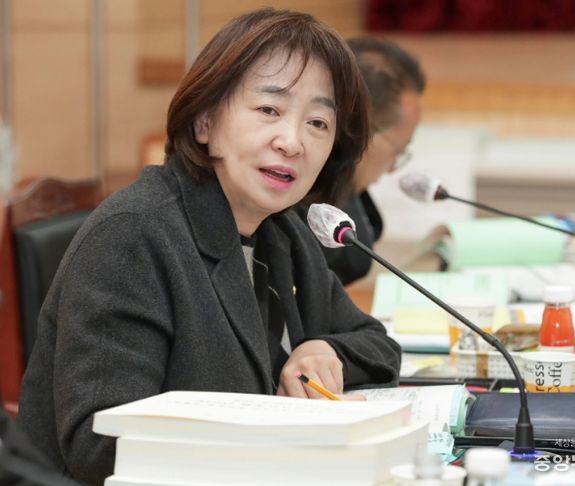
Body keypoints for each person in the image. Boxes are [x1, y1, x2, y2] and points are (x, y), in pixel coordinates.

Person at [17, 9, 401, 485]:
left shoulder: (282, 232)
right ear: (205, 121)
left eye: (318, 123)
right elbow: (101, 446)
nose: (292, 142)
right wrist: (277, 436)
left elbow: (379, 346)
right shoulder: (134, 236)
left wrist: (323, 350)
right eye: (269, 110)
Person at [299, 37, 426, 285]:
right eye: (398, 150)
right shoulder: (304, 221)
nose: (392, 168)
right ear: (357, 131)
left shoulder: (347, 209)